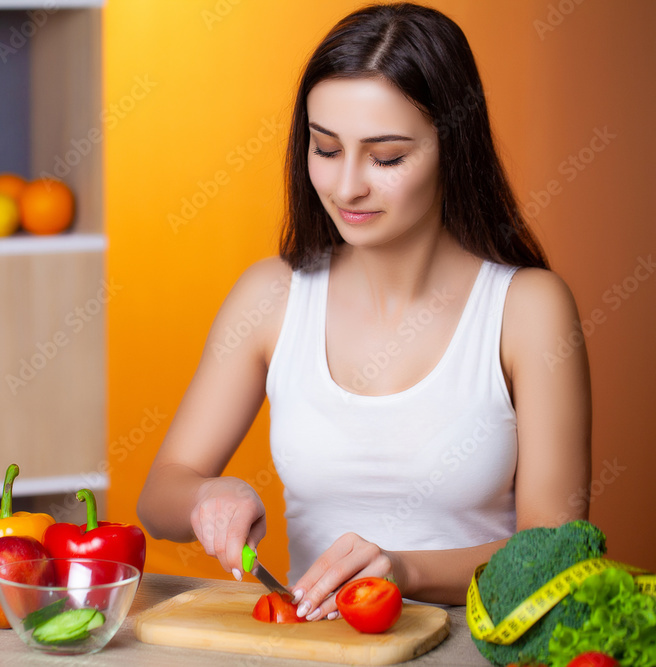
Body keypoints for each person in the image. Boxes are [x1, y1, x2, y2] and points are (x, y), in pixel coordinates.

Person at [137, 2, 591, 622]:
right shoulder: (270, 297)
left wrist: (404, 572)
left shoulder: (528, 309)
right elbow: (159, 496)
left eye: (386, 158)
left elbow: (557, 555)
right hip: (309, 651)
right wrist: (207, 495)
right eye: (325, 149)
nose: (346, 187)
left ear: (451, 150)